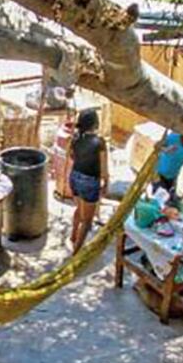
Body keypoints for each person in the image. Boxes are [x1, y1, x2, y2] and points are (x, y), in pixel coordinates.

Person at [68, 108, 109, 255]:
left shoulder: (75, 139)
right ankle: (76, 254)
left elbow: (71, 156)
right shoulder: (100, 142)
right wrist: (106, 183)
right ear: (95, 123)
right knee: (87, 221)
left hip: (74, 176)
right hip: (90, 181)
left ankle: (73, 236)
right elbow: (104, 168)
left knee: (79, 209)